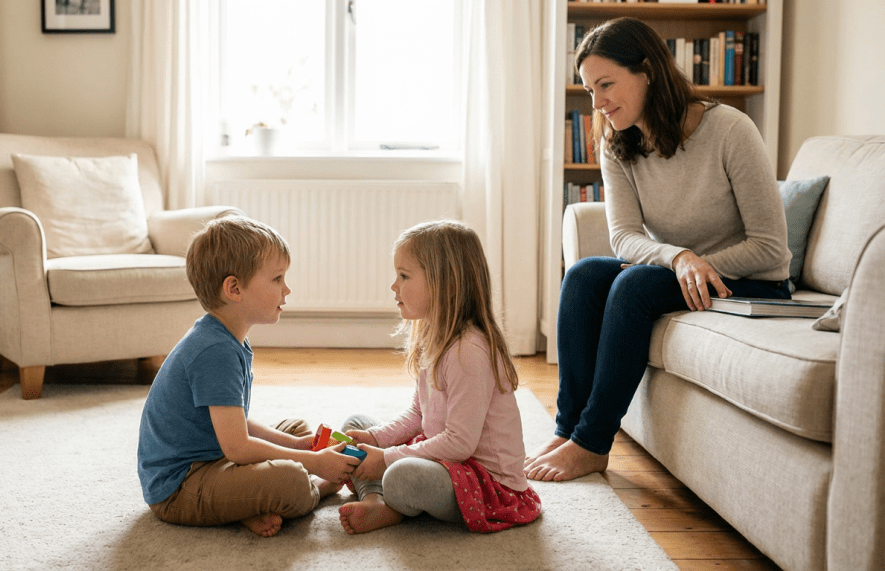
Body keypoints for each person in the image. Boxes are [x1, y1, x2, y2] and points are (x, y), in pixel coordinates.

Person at [524, 17, 792, 483]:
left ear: (647, 71)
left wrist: (695, 266)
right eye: (589, 90)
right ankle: (568, 429)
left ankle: (592, 443)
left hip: (752, 281)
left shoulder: (729, 128)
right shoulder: (616, 141)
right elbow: (624, 236)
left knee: (634, 284)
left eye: (606, 85)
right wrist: (678, 258)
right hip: (678, 271)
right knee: (585, 274)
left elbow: (770, 247)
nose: (598, 103)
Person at [137, 216, 360, 537]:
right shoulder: (215, 351)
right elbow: (238, 448)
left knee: (297, 429)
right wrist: (315, 466)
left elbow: (235, 422)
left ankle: (245, 505)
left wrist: (297, 444)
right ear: (234, 288)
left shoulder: (228, 338)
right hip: (179, 488)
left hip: (214, 458)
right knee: (292, 480)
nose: (287, 289)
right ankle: (313, 489)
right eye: (277, 279)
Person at [338, 220, 542, 535]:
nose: (394, 286)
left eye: (404, 276)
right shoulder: (433, 335)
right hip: (444, 454)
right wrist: (376, 439)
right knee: (356, 426)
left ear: (442, 283)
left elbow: (460, 443)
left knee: (402, 475)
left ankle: (386, 498)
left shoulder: (468, 351)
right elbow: (419, 414)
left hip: (486, 483)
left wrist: (387, 458)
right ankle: (381, 502)